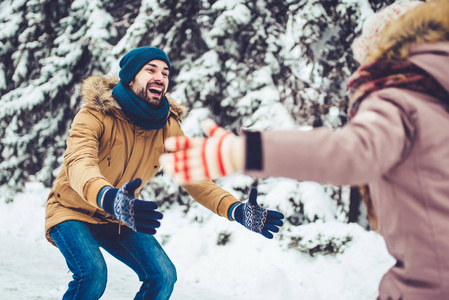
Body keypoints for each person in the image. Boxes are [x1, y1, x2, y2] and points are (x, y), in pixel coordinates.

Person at [160, 1, 449, 299]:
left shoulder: (402, 99)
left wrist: (245, 152)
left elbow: (352, 151)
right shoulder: (435, 102)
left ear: (389, 50)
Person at [45, 46, 284, 300]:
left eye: (165, 73)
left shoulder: (167, 126)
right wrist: (107, 197)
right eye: (151, 70)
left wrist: (234, 209)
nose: (160, 77)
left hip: (118, 215)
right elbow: (80, 162)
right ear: (131, 77)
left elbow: (194, 178)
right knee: (92, 274)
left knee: (163, 275)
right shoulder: (95, 113)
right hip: (70, 210)